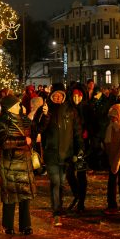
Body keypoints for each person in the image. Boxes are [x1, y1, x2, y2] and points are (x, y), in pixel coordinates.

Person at [36, 83, 82, 226]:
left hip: (67, 153)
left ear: (63, 96)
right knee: (55, 183)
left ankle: (60, 207)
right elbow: (38, 129)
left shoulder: (71, 110)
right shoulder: (44, 109)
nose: (57, 97)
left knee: (61, 183)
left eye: (59, 95)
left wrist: (79, 148)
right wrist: (45, 116)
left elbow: (77, 132)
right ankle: (57, 212)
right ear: (50, 96)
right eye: (54, 95)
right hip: (51, 153)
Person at [0, 95, 35, 235]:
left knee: (24, 195)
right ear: (10, 107)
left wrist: (45, 116)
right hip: (10, 163)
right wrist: (24, 141)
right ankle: (8, 225)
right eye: (17, 105)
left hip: (24, 162)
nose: (20, 107)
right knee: (10, 196)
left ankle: (26, 225)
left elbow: (35, 130)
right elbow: (4, 142)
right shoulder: (2, 121)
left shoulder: (24, 120)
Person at [103, 103, 120, 215]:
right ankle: (111, 205)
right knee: (111, 183)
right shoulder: (111, 128)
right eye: (111, 116)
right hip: (113, 159)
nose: (113, 119)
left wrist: (117, 162)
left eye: (115, 116)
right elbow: (108, 144)